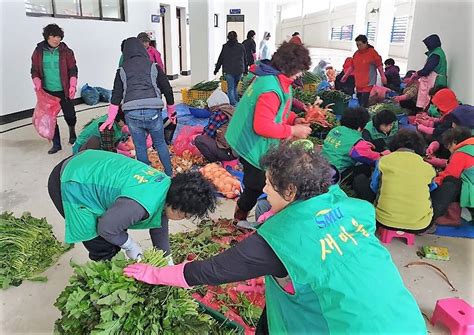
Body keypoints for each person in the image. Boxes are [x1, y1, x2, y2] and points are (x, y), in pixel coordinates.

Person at [124, 141, 426, 334]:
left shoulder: (280, 239)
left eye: (268, 185)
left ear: (291, 192)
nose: (264, 190)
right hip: (406, 319)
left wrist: (157, 273)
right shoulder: (353, 208)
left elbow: (211, 270)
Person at [48, 150, 217, 261]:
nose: (183, 219)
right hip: (72, 180)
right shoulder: (139, 205)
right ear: (176, 206)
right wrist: (130, 244)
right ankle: (103, 281)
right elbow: (106, 228)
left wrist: (166, 259)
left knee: (117, 227)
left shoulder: (167, 187)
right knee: (102, 244)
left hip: (90, 164)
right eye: (185, 215)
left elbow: (159, 222)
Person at [225, 42, 312, 221]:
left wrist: (293, 119)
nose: (301, 74)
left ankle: (242, 216)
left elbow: (277, 111)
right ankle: (237, 220)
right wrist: (293, 129)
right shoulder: (270, 87)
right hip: (250, 144)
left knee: (258, 183)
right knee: (255, 186)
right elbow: (262, 126)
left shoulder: (276, 79)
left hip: (253, 141)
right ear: (290, 68)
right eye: (300, 70)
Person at [100, 37, 176, 176]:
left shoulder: (122, 70)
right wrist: (171, 111)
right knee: (160, 143)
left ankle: (145, 177)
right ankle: (169, 174)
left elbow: (116, 95)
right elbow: (167, 89)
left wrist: (110, 118)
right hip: (153, 111)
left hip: (132, 112)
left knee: (140, 146)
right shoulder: (154, 66)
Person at [31, 23, 78, 154]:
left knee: (70, 115)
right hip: (48, 92)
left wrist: (72, 84)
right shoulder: (38, 52)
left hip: (64, 90)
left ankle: (72, 130)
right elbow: (34, 70)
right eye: (53, 36)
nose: (56, 39)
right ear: (47, 37)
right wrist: (36, 80)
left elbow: (73, 69)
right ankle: (56, 144)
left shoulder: (66, 52)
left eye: (58, 36)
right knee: (51, 119)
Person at [322, 107, 383, 180]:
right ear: (360, 127)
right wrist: (382, 155)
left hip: (322, 168)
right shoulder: (356, 142)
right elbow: (370, 158)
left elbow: (344, 142)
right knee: (365, 168)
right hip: (336, 175)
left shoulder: (335, 130)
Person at [430, 127, 473, 222]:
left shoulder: (462, 152)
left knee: (450, 182)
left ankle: (433, 216)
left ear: (454, 142)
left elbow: (450, 174)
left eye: (448, 147)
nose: (450, 151)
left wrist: (432, 182)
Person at [342, 35, 387, 107]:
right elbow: (352, 66)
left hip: (368, 83)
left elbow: (379, 65)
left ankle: (364, 115)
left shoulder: (372, 52)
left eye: (360, 45)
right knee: (360, 102)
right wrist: (346, 75)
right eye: (357, 45)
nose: (358, 47)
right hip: (358, 83)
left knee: (364, 103)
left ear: (366, 43)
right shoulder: (356, 54)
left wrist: (383, 76)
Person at [194, 90, 237, 162]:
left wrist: (193, 141)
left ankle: (214, 161)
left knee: (199, 140)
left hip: (227, 152)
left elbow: (208, 134)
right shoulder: (232, 110)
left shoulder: (219, 114)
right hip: (238, 151)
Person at [214, 31, 246, 106]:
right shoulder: (241, 46)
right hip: (239, 69)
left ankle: (233, 103)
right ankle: (236, 101)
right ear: (236, 37)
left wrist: (216, 69)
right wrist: (246, 70)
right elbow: (245, 59)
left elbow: (221, 59)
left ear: (228, 37)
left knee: (231, 88)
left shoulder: (225, 46)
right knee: (235, 86)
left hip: (229, 70)